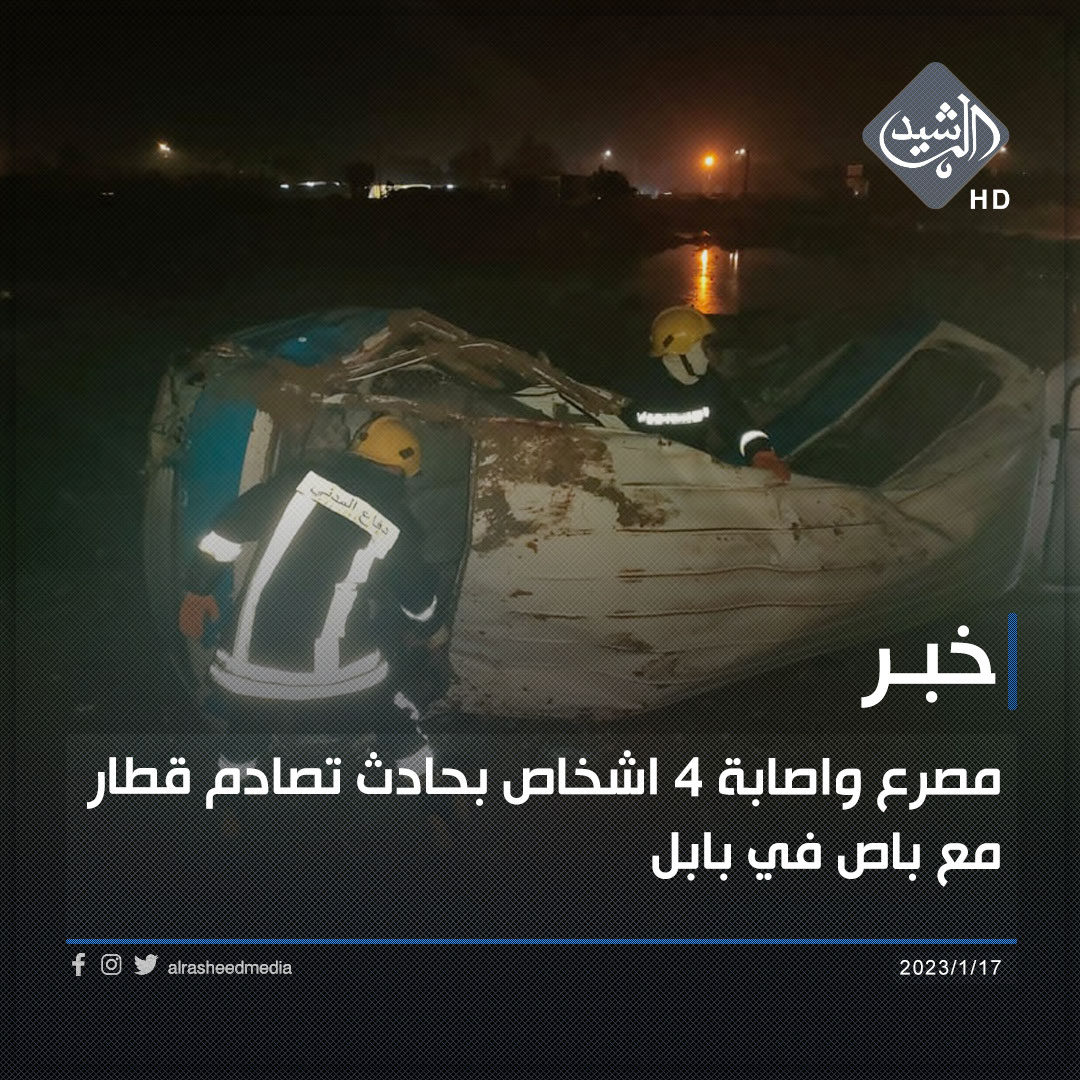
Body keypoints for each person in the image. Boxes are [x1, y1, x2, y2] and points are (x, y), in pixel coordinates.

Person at [178, 415, 447, 773]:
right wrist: (434, 628)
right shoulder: (396, 526)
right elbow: (419, 605)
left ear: (356, 450)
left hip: (251, 662)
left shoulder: (299, 484)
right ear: (402, 473)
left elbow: (227, 532)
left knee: (247, 727)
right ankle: (431, 786)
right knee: (389, 716)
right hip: (336, 671)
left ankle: (229, 793)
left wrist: (197, 588)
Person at [623, 306, 792, 482]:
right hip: (642, 477)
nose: (711, 355)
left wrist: (760, 453)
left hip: (693, 475)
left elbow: (735, 421)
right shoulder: (635, 386)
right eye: (704, 347)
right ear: (682, 352)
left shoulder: (709, 385)